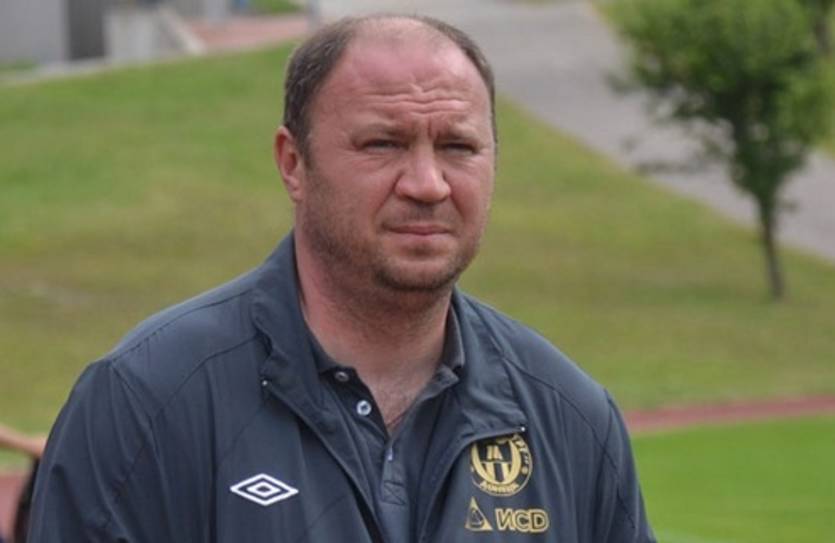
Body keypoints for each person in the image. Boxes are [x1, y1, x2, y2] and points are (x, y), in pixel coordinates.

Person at [28, 14, 655, 542]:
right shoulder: (146, 403)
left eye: (458, 147)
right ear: (293, 163)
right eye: (383, 144)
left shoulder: (570, 418)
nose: (427, 184)